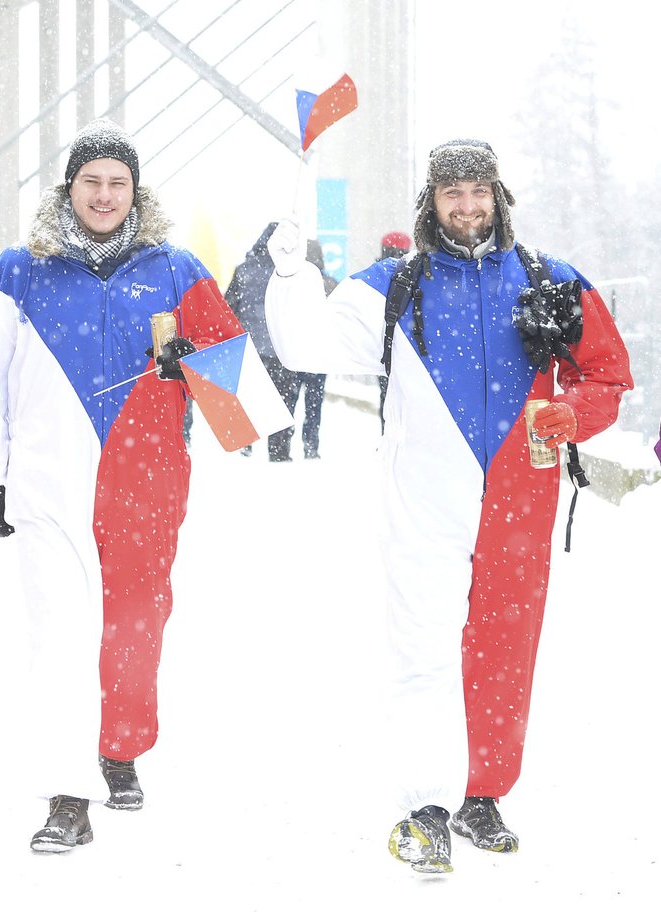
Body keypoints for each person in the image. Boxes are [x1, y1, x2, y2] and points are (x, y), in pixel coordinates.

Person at [264, 139, 632, 873]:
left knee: (504, 649)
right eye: (451, 194)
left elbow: (609, 376)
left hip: (520, 499)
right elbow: (304, 345)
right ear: (431, 203)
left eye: (479, 192)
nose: (467, 207)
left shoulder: (551, 281)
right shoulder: (393, 286)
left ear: (499, 197)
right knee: (424, 649)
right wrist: (289, 274)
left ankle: (481, 795)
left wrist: (571, 415)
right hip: (424, 496)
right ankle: (425, 807)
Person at [0, 118, 245, 852]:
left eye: (119, 183)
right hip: (47, 486)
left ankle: (118, 748)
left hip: (146, 488)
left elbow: (242, 403)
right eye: (93, 181)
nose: (105, 195)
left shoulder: (177, 269)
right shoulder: (19, 270)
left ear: (135, 192)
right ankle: (65, 795)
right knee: (58, 635)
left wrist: (197, 367)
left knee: (133, 631)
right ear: (70, 188)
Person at [224, 224, 330, 460]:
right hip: (282, 347)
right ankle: (279, 452)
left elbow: (229, 309)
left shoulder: (244, 271)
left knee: (251, 398)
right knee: (283, 401)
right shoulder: (291, 272)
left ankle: (246, 443)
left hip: (251, 348)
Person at [375, 231, 412, 433]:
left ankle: (387, 433)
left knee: (386, 395)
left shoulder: (377, 275)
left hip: (383, 347)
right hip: (406, 346)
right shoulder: (414, 273)